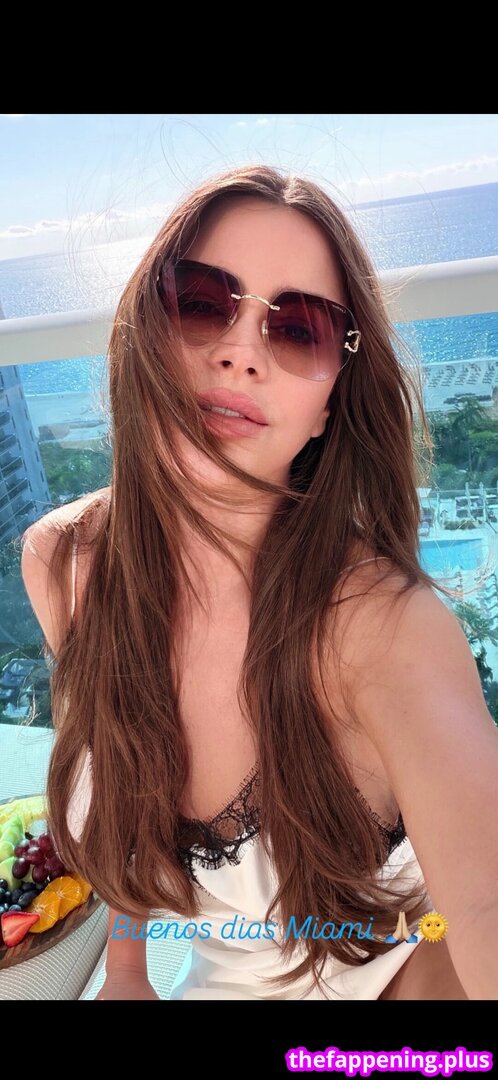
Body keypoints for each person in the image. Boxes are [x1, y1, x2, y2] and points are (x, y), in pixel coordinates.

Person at [20, 165, 498, 1001]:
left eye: (300, 329)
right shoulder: (67, 565)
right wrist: (127, 971)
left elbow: (484, 903)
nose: (240, 352)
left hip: (406, 969)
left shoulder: (385, 626)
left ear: (328, 406)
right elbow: (118, 770)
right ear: (143, 328)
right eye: (201, 301)